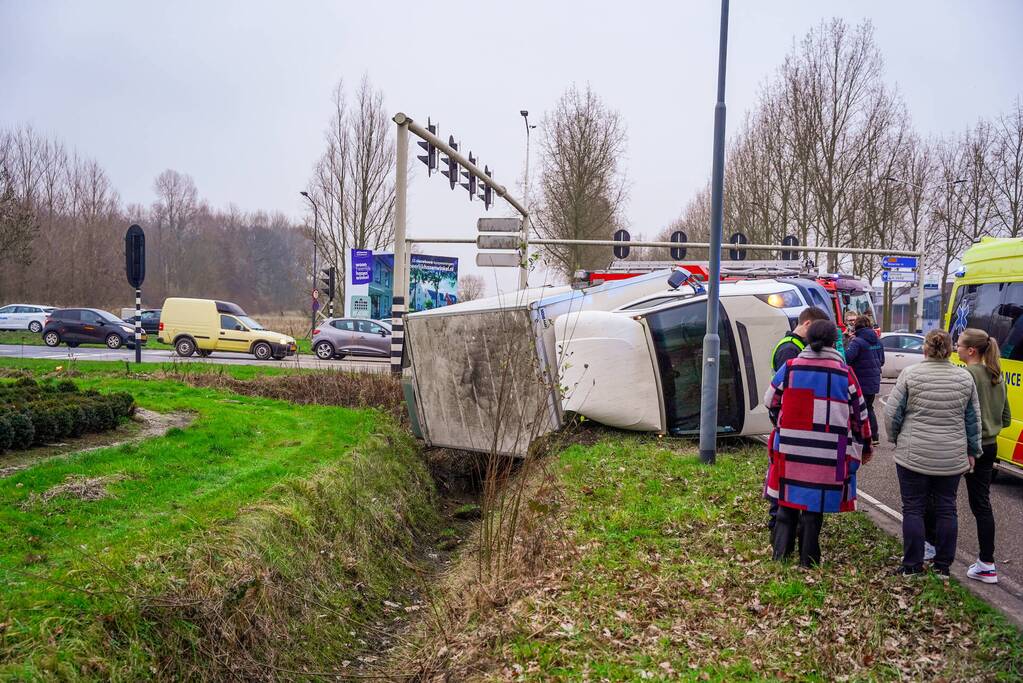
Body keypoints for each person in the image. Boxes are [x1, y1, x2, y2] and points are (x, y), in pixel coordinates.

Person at [764, 319, 873, 567]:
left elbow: (770, 400)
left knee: (785, 503)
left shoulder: (790, 368)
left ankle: (780, 556)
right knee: (814, 507)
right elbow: (861, 416)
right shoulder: (845, 374)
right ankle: (808, 560)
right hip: (828, 452)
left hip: (790, 448)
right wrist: (865, 447)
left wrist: (781, 421)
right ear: (835, 341)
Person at [885, 329, 981, 577]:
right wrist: (973, 450)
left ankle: (912, 565)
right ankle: (942, 566)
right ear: (950, 350)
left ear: (925, 349)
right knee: (947, 508)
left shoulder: (910, 374)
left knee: (913, 508)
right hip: (951, 455)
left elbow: (892, 414)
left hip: (913, 453)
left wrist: (895, 438)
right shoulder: (964, 378)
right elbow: (972, 419)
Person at [765, 306, 831, 540]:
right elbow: (787, 392)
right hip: (794, 425)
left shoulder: (793, 347)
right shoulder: (790, 350)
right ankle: (779, 530)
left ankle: (785, 535)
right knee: (785, 481)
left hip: (794, 424)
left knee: (787, 479)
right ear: (807, 324)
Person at [957, 328, 1012, 583]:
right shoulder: (996, 375)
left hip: (967, 445)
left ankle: (934, 547)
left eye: (958, 345)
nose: (955, 348)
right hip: (991, 446)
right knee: (982, 504)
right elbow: (1006, 418)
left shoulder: (967, 375)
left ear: (971, 350)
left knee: (942, 498)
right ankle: (986, 562)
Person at [845, 314, 885, 445]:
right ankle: (874, 435)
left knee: (858, 409)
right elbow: (882, 361)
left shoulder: (857, 341)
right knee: (869, 407)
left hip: (860, 381)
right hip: (873, 382)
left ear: (857, 326)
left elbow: (847, 359)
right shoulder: (878, 341)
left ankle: (862, 437)